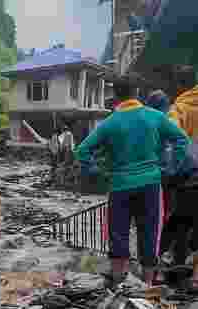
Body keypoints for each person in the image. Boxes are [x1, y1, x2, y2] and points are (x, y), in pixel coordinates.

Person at [74, 79, 189, 288]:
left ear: (116, 96)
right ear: (137, 92)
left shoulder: (109, 123)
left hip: (119, 186)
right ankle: (147, 284)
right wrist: (170, 168)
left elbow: (82, 150)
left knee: (118, 233)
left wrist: (97, 172)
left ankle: (119, 281)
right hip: (150, 185)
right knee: (149, 232)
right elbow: (182, 140)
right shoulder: (156, 117)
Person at [159, 75, 198, 289]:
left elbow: (170, 141)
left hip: (187, 179)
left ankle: (176, 270)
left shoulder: (179, 108)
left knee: (179, 224)